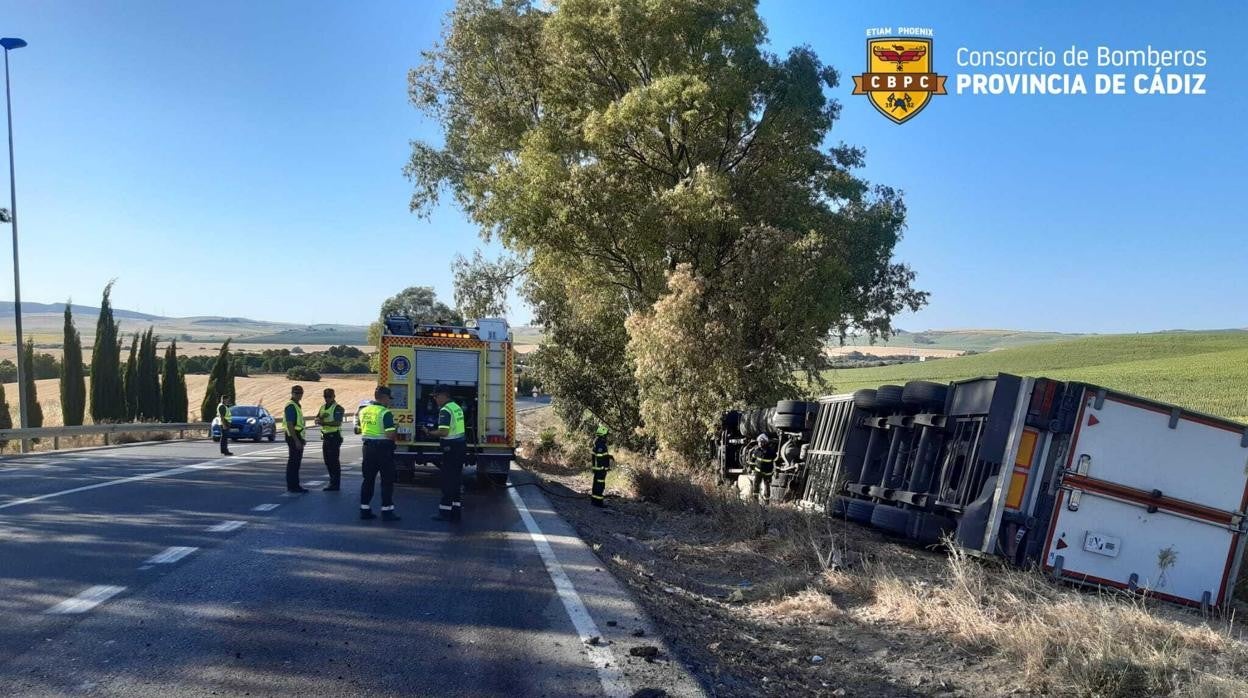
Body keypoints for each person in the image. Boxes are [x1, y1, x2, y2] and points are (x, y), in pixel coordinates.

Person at [423, 386, 465, 522]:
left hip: (451, 449)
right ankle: (456, 510)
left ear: (443, 396)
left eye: (436, 396)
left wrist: (429, 433)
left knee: (448, 480)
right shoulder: (456, 407)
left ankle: (444, 512)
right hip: (459, 447)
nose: (434, 399)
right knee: (456, 479)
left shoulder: (445, 411)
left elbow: (443, 432)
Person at [358, 385, 400, 521]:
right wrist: (396, 428)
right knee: (387, 481)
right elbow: (389, 434)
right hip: (383, 449)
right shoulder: (385, 412)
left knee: (368, 480)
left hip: (367, 449)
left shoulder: (364, 411)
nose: (390, 402)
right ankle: (387, 511)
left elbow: (360, 428)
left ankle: (364, 509)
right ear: (385, 398)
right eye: (389, 399)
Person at [315, 388, 345, 491]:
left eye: (329, 396)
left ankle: (335, 484)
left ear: (334, 396)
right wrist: (320, 418)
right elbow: (316, 419)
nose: (327, 398)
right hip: (326, 436)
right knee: (327, 461)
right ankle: (332, 481)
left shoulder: (338, 408)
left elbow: (337, 422)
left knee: (333, 461)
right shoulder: (323, 407)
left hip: (334, 437)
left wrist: (324, 423)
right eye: (325, 396)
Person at [284, 385, 308, 493]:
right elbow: (290, 424)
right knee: (294, 462)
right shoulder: (291, 406)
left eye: (300, 393)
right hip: (293, 436)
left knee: (296, 462)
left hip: (297, 435)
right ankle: (293, 486)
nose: (299, 395)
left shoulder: (296, 405)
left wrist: (301, 438)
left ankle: (294, 485)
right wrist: (297, 440)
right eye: (296, 393)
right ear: (292, 393)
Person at [750, 433, 777, 504]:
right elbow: (752, 461)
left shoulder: (771, 452)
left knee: (766, 486)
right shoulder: (756, 451)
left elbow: (776, 461)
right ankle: (755, 501)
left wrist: (775, 470)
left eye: (761, 442)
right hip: (758, 472)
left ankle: (766, 502)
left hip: (767, 473)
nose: (759, 443)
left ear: (765, 442)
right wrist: (752, 470)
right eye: (759, 442)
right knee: (756, 485)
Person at [590, 424, 611, 508]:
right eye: (606, 435)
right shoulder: (601, 446)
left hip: (598, 470)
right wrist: (604, 468)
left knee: (596, 485)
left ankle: (594, 501)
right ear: (603, 436)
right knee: (600, 486)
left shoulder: (597, 444)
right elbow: (600, 458)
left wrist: (609, 457)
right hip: (600, 470)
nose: (606, 437)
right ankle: (598, 503)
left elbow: (601, 457)